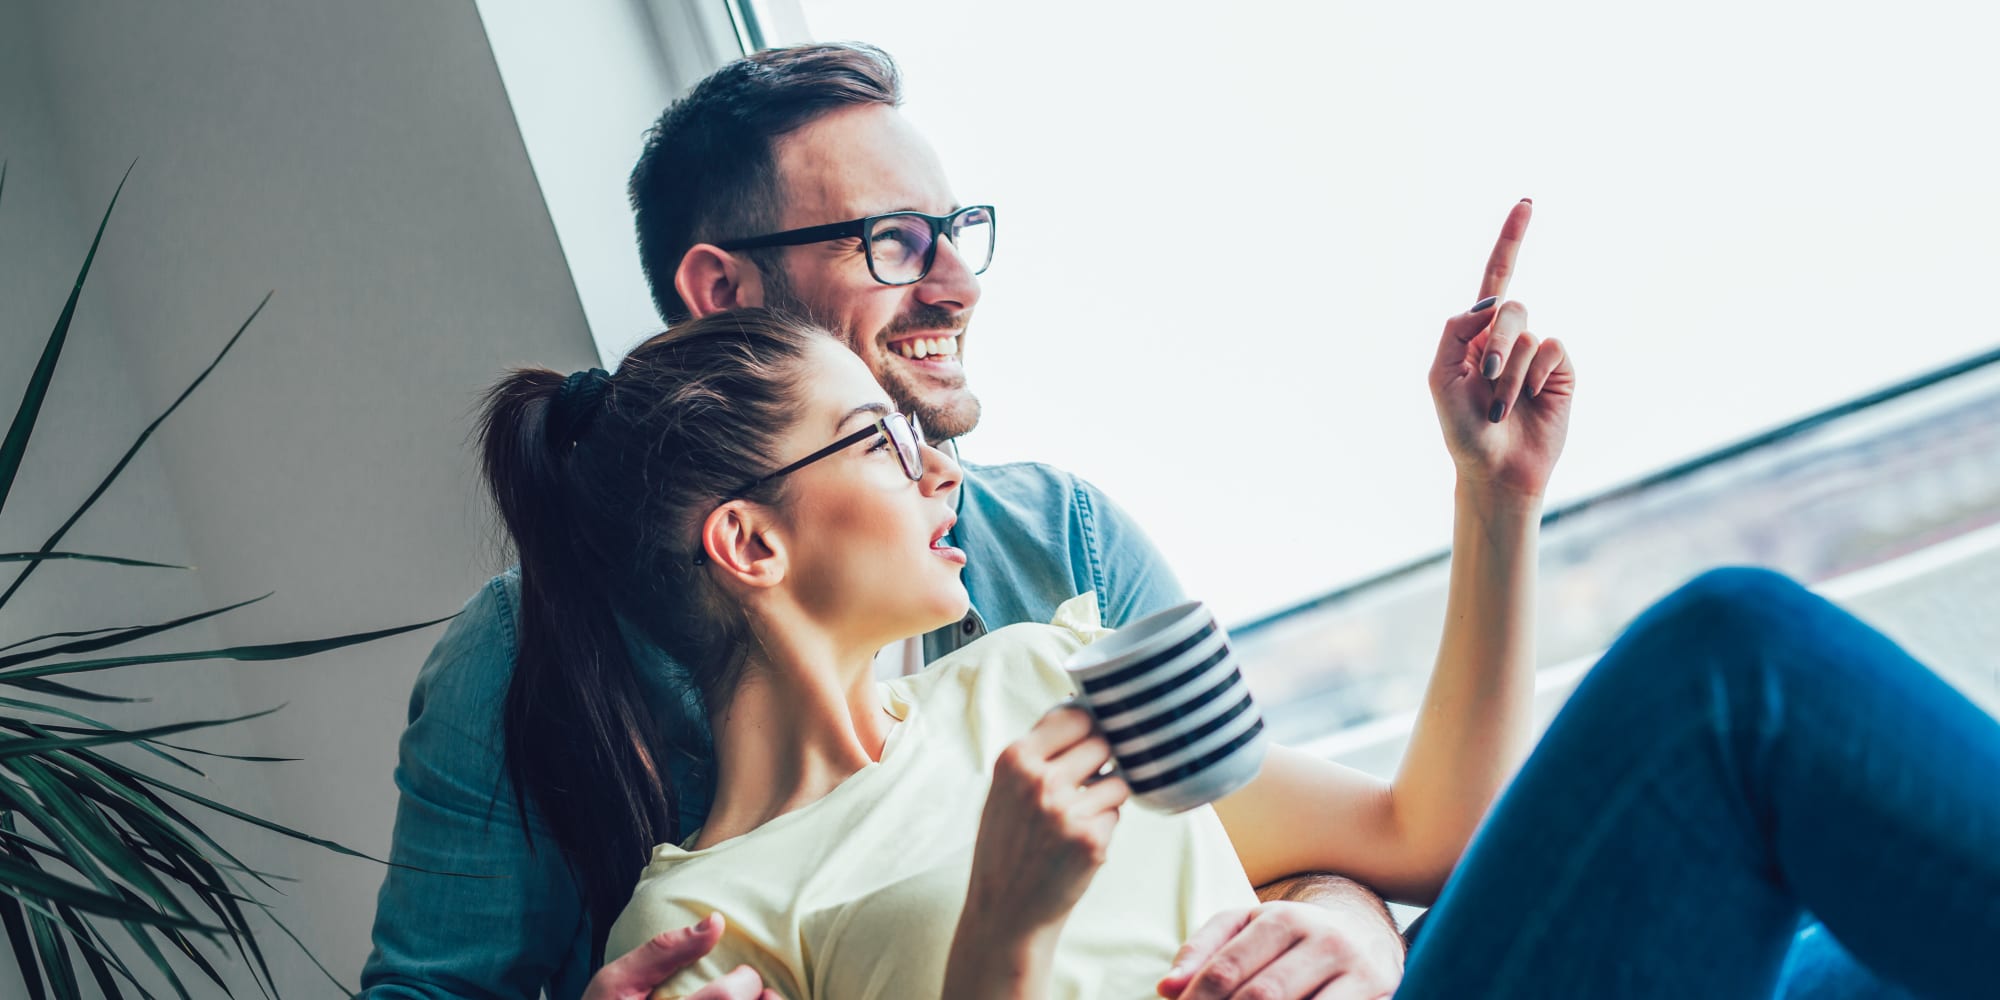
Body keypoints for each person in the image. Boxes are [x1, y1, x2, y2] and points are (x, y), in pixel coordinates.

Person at [475, 304, 1998, 1000]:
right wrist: (1001, 934)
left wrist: (1493, 500)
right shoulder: (695, 928)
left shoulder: (1036, 671)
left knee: (1867, 959)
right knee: (1730, 662)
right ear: (751, 546)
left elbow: (1426, 836)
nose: (937, 469)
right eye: (877, 441)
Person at [361, 42, 1400, 1000]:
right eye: (893, 243)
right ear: (721, 290)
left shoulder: (1062, 541)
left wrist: (1347, 927)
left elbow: (1281, 834)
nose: (958, 285)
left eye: (954, 234)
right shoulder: (521, 653)